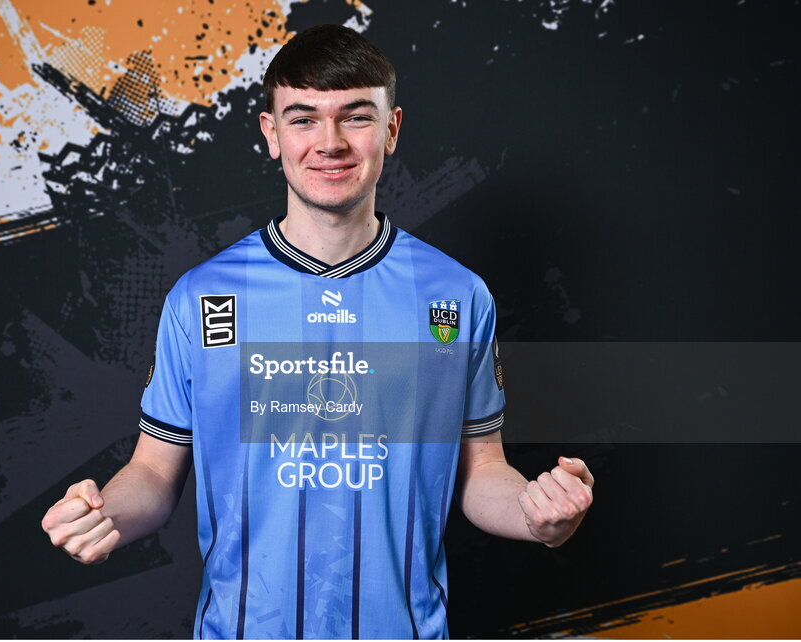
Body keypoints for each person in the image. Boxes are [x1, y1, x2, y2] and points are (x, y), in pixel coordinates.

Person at [41, 23, 593, 639]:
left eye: (355, 117)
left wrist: (534, 512)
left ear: (392, 129)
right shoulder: (200, 298)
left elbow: (480, 470)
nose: (329, 143)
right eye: (303, 119)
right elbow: (153, 474)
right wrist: (102, 514)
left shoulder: (455, 297)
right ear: (271, 135)